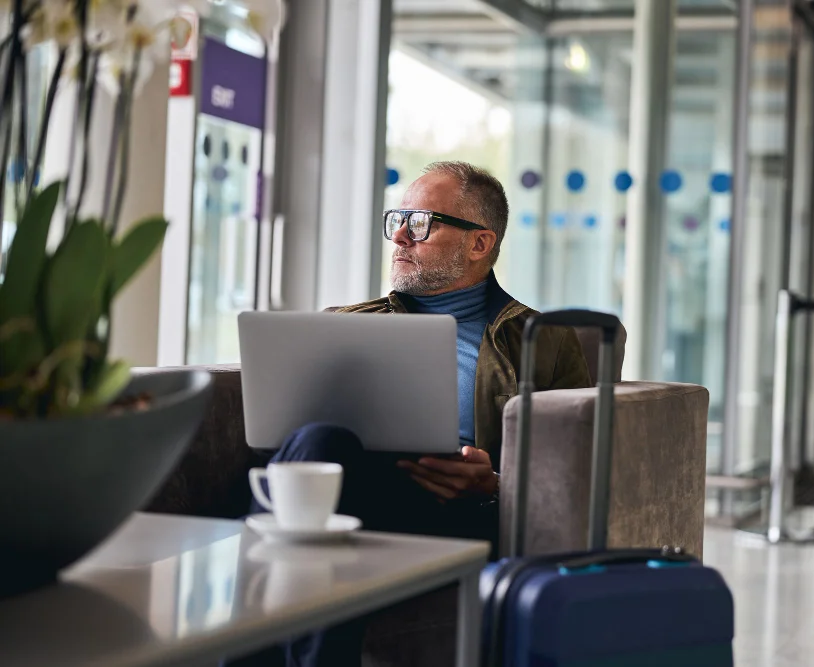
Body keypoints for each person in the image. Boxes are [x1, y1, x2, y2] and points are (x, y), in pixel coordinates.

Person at [229, 161, 592, 667]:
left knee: (320, 484)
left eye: (420, 222)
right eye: (397, 219)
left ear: (479, 243)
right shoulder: (344, 325)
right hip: (344, 493)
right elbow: (280, 441)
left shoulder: (542, 341)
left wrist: (494, 484)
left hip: (453, 511)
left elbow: (582, 466)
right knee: (323, 444)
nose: (399, 235)